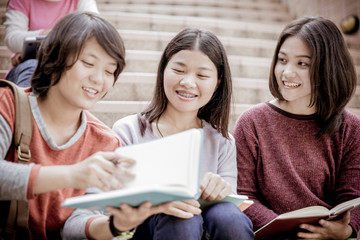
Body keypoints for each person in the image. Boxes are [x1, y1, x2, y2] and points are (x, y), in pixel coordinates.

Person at [63, 27, 254, 240]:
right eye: (179, 70)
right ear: (163, 69)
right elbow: (104, 210)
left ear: (217, 83)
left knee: (229, 215)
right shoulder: (128, 131)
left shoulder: (222, 141)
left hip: (205, 229)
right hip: (145, 230)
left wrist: (219, 190)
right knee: (181, 215)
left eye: (202, 75)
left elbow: (228, 210)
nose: (188, 82)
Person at [0, 11, 134, 239]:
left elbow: (76, 223)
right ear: (56, 58)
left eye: (109, 71)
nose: (98, 79)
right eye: (88, 63)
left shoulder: (105, 141)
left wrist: (114, 225)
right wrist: (73, 174)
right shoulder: (7, 103)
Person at [234, 16, 360, 239]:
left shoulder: (351, 128)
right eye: (282, 60)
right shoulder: (251, 122)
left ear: (328, 68)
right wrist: (280, 228)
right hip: (270, 233)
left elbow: (353, 197)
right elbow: (243, 195)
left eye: (302, 63)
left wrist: (346, 229)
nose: (287, 72)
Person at [4, 0, 98, 87]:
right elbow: (12, 39)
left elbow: (93, 30)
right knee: (33, 67)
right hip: (31, 67)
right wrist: (49, 35)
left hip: (66, 64)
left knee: (74, 70)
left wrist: (42, 42)